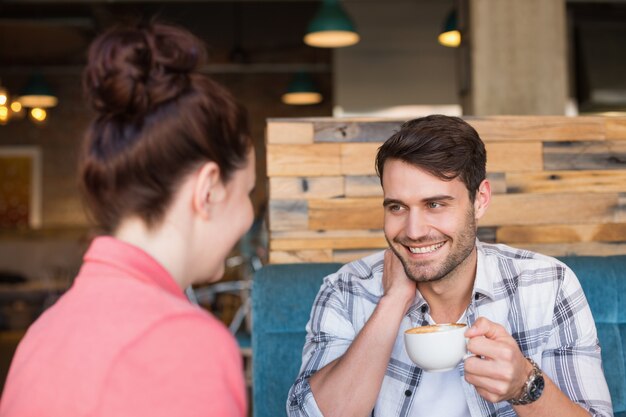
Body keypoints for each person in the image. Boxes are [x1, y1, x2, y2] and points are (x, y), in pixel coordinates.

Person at [0, 21, 254, 417]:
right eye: (248, 193)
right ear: (208, 191)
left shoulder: (43, 333)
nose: (248, 216)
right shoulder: (185, 342)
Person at [287, 115, 613, 417]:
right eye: (397, 207)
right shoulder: (347, 288)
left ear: (480, 200)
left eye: (435, 204)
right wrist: (393, 302)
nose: (413, 231)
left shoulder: (548, 284)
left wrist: (524, 386)